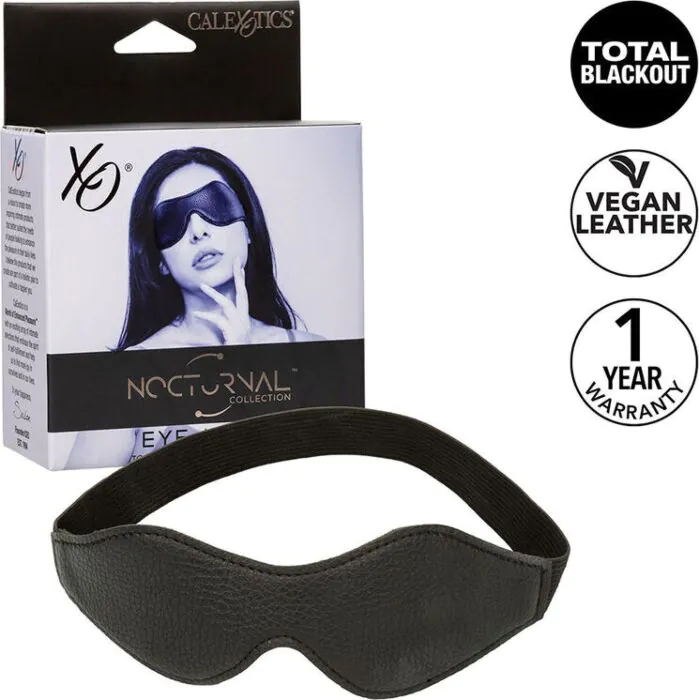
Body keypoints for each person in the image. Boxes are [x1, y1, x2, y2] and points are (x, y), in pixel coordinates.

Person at [66, 147, 322, 468]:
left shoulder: (314, 357)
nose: (198, 231)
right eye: (172, 221)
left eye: (215, 205)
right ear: (159, 261)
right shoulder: (126, 377)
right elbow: (83, 493)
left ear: (248, 228)